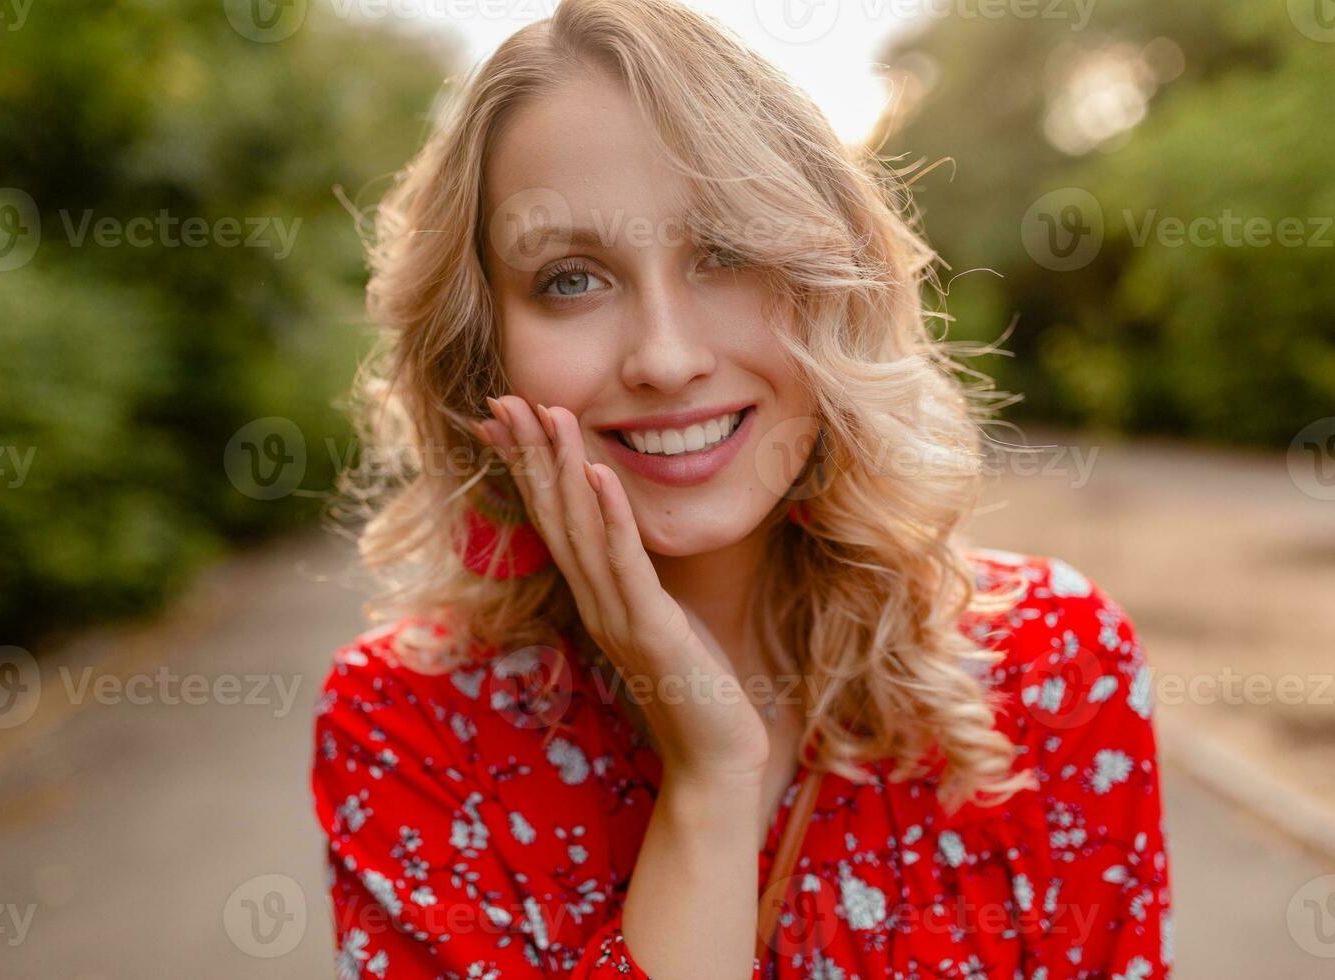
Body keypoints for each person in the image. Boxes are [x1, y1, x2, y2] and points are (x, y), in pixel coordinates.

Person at [311, 1, 1172, 976]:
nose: (667, 358)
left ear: (828, 283)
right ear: (484, 351)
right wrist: (710, 784)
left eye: (723, 252)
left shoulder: (1049, 665)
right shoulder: (414, 727)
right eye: (570, 279)